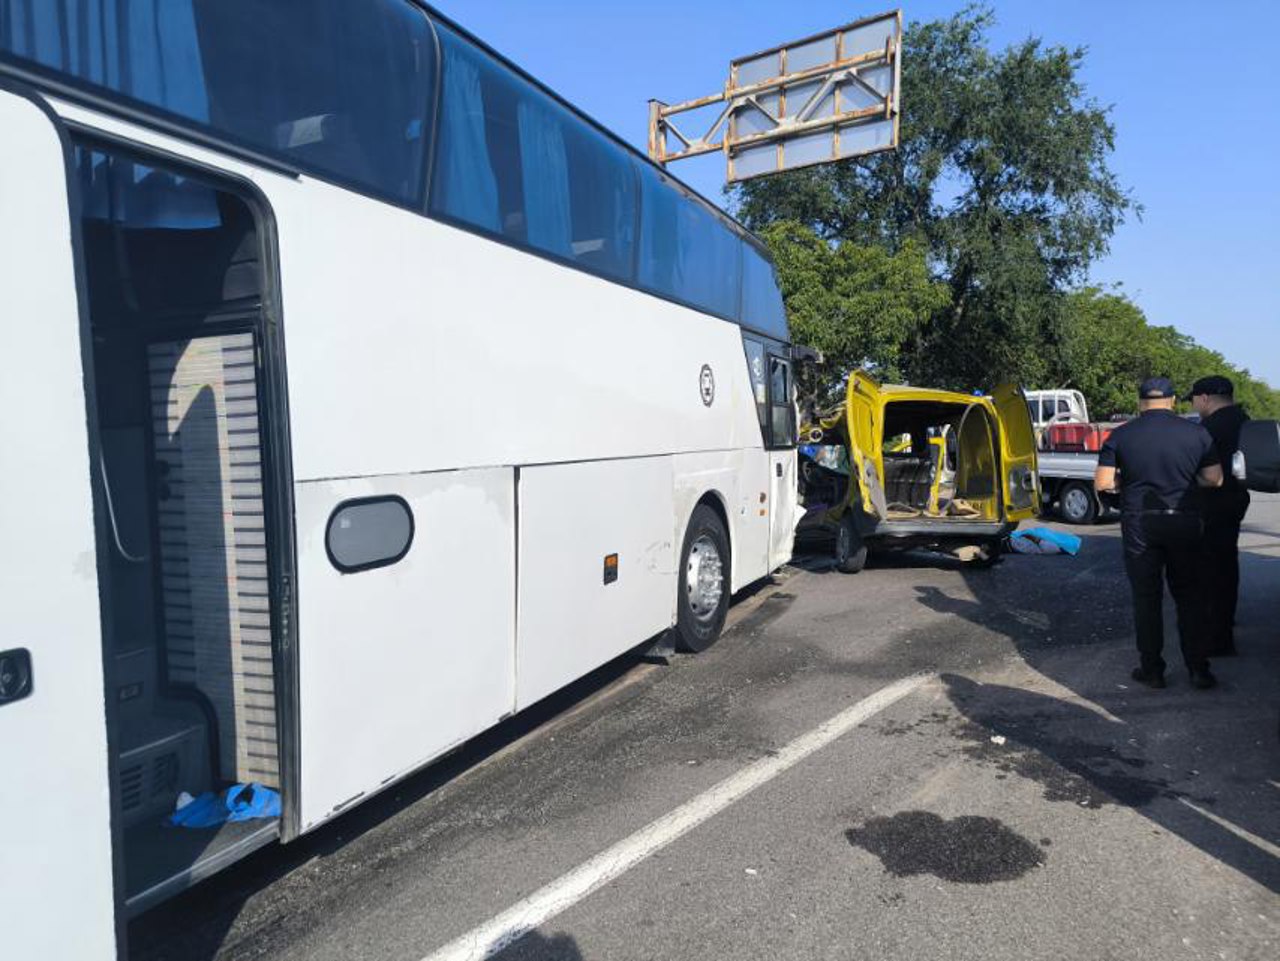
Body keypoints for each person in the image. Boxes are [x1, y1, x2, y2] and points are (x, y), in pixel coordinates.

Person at [1094, 377, 1223, 689]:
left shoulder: (1120, 435)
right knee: (1190, 596)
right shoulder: (1197, 433)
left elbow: (1103, 483)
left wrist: (1128, 484)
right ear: (1173, 400)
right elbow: (1215, 479)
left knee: (1146, 598)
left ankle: (1152, 670)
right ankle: (1198, 669)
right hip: (1184, 519)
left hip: (1140, 523)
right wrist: (1186, 483)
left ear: (1140, 402)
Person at [1189, 375, 1251, 656]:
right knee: (1227, 564)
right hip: (1238, 498)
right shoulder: (1244, 420)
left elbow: (1199, 470)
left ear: (1204, 398)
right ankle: (1225, 620)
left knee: (1212, 571)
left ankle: (1218, 636)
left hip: (1214, 502)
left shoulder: (1209, 427)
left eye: (1194, 398)